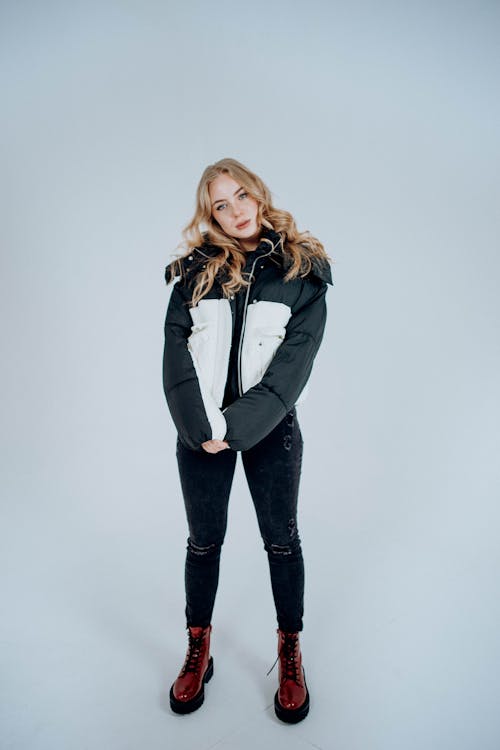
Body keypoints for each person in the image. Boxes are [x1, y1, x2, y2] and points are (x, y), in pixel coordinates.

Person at [162, 157, 332, 723]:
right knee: (202, 544)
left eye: (240, 196)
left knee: (282, 541)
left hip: (271, 431)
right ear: (209, 214)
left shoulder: (302, 272)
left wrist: (233, 431)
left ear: (258, 194)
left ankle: (289, 650)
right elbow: (175, 357)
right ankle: (199, 645)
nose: (235, 211)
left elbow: (291, 369)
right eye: (220, 204)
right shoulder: (194, 272)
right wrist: (202, 430)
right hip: (200, 434)